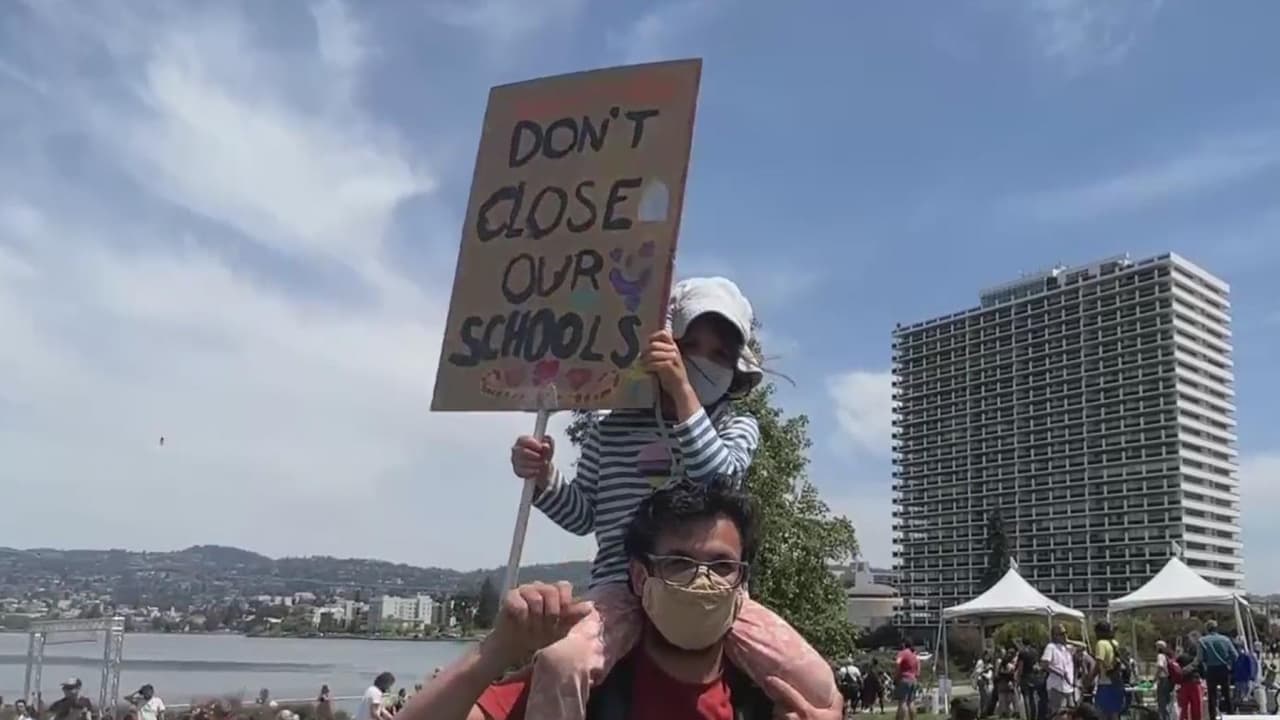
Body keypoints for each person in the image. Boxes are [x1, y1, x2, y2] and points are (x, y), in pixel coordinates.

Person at [509, 277, 837, 719]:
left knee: (817, 681)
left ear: (736, 369)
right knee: (560, 662)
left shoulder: (737, 425)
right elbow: (583, 515)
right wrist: (543, 477)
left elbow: (719, 478)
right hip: (620, 591)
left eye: (720, 354)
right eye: (690, 345)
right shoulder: (609, 428)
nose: (702, 361)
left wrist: (682, 392)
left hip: (715, 596)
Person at [398, 478, 839, 719]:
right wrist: (496, 650)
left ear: (742, 582)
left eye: (722, 565)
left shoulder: (767, 697)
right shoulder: (584, 687)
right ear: (640, 576)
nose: (703, 581)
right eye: (679, 563)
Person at [1197, 621, 1237, 720]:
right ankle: (1231, 715)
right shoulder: (1225, 639)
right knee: (1226, 694)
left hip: (1211, 669)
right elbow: (1235, 655)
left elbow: (1200, 658)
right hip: (1224, 668)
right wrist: (1229, 663)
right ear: (1216, 628)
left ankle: (1213, 717)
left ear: (1207, 629)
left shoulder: (1202, 641)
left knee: (1212, 696)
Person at [1090, 623, 1124, 720]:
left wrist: (1089, 680)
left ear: (1100, 632)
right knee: (1114, 714)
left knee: (1101, 713)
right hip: (1116, 683)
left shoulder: (1101, 644)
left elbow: (1098, 665)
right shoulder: (1114, 643)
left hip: (1105, 684)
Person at [1042, 626, 1076, 716]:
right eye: (1061, 634)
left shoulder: (1067, 648)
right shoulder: (1051, 647)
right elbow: (1045, 664)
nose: (1064, 636)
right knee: (1058, 713)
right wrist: (1059, 672)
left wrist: (1069, 641)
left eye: (1065, 633)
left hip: (1068, 687)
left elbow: (1083, 646)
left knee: (1071, 712)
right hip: (1057, 687)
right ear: (1054, 636)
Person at [1015, 637, 1046, 720]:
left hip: (1025, 676)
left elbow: (1020, 667)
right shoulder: (1035, 652)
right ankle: (1034, 716)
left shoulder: (1022, 653)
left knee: (1027, 697)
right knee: (1033, 698)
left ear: (1023, 643)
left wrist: (1018, 679)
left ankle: (1029, 717)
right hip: (1034, 676)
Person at [1177, 640, 1203, 720]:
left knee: (1184, 706)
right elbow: (1203, 672)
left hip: (1184, 683)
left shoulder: (1181, 657)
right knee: (1196, 706)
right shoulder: (1198, 659)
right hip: (1195, 683)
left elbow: (1176, 668)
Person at [894, 641, 919, 720]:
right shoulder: (914, 655)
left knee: (902, 702)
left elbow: (897, 663)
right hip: (913, 679)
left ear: (904, 644)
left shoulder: (903, 653)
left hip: (904, 679)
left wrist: (896, 676)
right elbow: (918, 668)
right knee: (911, 702)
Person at [1154, 641, 1176, 720]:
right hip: (1167, 680)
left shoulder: (1160, 656)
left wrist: (1154, 678)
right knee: (1166, 702)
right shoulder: (1166, 656)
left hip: (1162, 680)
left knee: (1162, 703)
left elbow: (1160, 667)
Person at [1232, 637, 1256, 707]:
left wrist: (1251, 678)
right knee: (1238, 698)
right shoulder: (1237, 657)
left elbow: (1252, 668)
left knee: (1244, 698)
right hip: (1238, 680)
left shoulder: (1247, 656)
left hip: (1246, 680)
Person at [974, 652, 993, 717]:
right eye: (986, 655)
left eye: (988, 656)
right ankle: (981, 713)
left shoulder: (989, 665)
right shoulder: (980, 662)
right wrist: (975, 682)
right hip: (981, 682)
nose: (987, 657)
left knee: (987, 698)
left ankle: (984, 712)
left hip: (987, 682)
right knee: (982, 698)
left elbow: (989, 675)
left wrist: (984, 673)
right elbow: (976, 672)